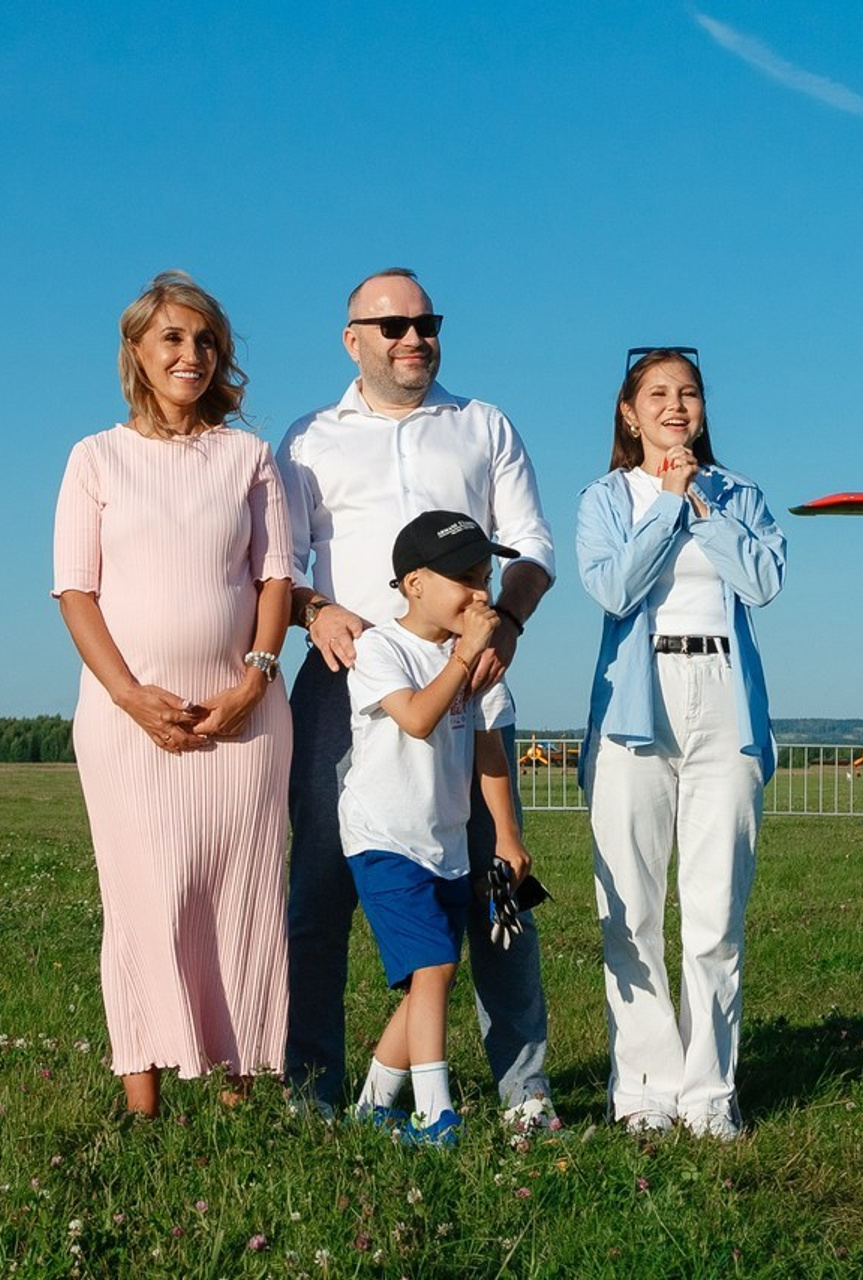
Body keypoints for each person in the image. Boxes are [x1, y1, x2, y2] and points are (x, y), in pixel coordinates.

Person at [277, 268, 557, 1127]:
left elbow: (533, 548)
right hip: (347, 687)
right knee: (321, 890)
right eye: (392, 325)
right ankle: (314, 1089)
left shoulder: (483, 425)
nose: (414, 339)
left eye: (426, 323)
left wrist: (504, 622)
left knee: (494, 886)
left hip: (470, 682)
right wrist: (315, 608)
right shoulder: (307, 438)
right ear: (351, 337)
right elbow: (279, 570)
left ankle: (524, 1092)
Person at [51, 271, 293, 1117]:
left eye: (205, 341)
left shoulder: (250, 458)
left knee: (243, 894)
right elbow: (75, 592)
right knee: (145, 898)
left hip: (247, 721)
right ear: (137, 354)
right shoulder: (94, 457)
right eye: (172, 340)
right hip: (127, 725)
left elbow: (274, 578)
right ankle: (143, 1102)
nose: (191, 355)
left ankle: (240, 1089)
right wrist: (128, 697)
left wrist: (253, 683)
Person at [577, 347, 786, 1139]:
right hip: (636, 705)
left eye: (688, 393)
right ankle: (643, 1092)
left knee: (715, 911)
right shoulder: (606, 497)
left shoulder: (739, 494)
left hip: (723, 701)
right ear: (629, 414)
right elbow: (612, 587)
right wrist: (664, 502)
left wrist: (703, 503)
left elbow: (763, 581)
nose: (675, 406)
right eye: (657, 394)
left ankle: (709, 1095)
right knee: (628, 910)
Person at [341, 511, 532, 1147]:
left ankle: (372, 1104)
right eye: (465, 579)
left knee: (433, 973)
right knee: (435, 967)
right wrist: (463, 659)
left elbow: (489, 752)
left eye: (486, 578)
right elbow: (420, 718)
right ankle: (434, 1113)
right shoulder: (380, 649)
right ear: (414, 583)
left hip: (445, 844)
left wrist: (505, 836)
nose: (481, 594)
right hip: (384, 837)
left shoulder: (478, 663)